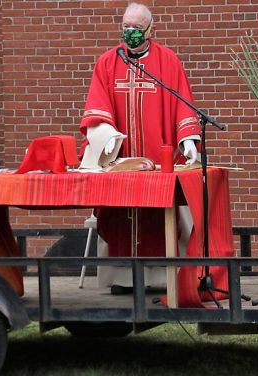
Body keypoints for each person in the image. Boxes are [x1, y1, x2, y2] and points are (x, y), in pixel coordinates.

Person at [79, 3, 200, 293]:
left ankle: (161, 278)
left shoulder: (168, 61)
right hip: (120, 162)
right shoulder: (108, 62)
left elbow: (182, 101)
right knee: (122, 219)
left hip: (157, 159)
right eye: (126, 26)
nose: (130, 32)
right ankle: (121, 279)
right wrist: (106, 137)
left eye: (136, 27)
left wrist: (188, 139)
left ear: (150, 29)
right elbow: (97, 106)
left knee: (157, 219)